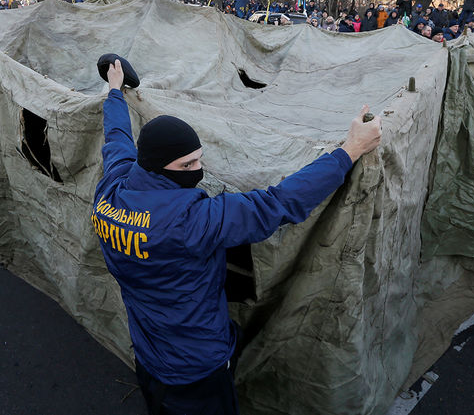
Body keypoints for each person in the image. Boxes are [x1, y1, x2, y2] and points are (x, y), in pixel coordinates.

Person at [93, 58, 381, 415]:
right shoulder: (191, 220)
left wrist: (115, 90)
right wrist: (350, 150)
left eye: (199, 159)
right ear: (158, 167)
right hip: (197, 368)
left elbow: (116, 137)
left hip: (149, 353)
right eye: (188, 165)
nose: (199, 171)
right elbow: (277, 203)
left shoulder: (112, 187)